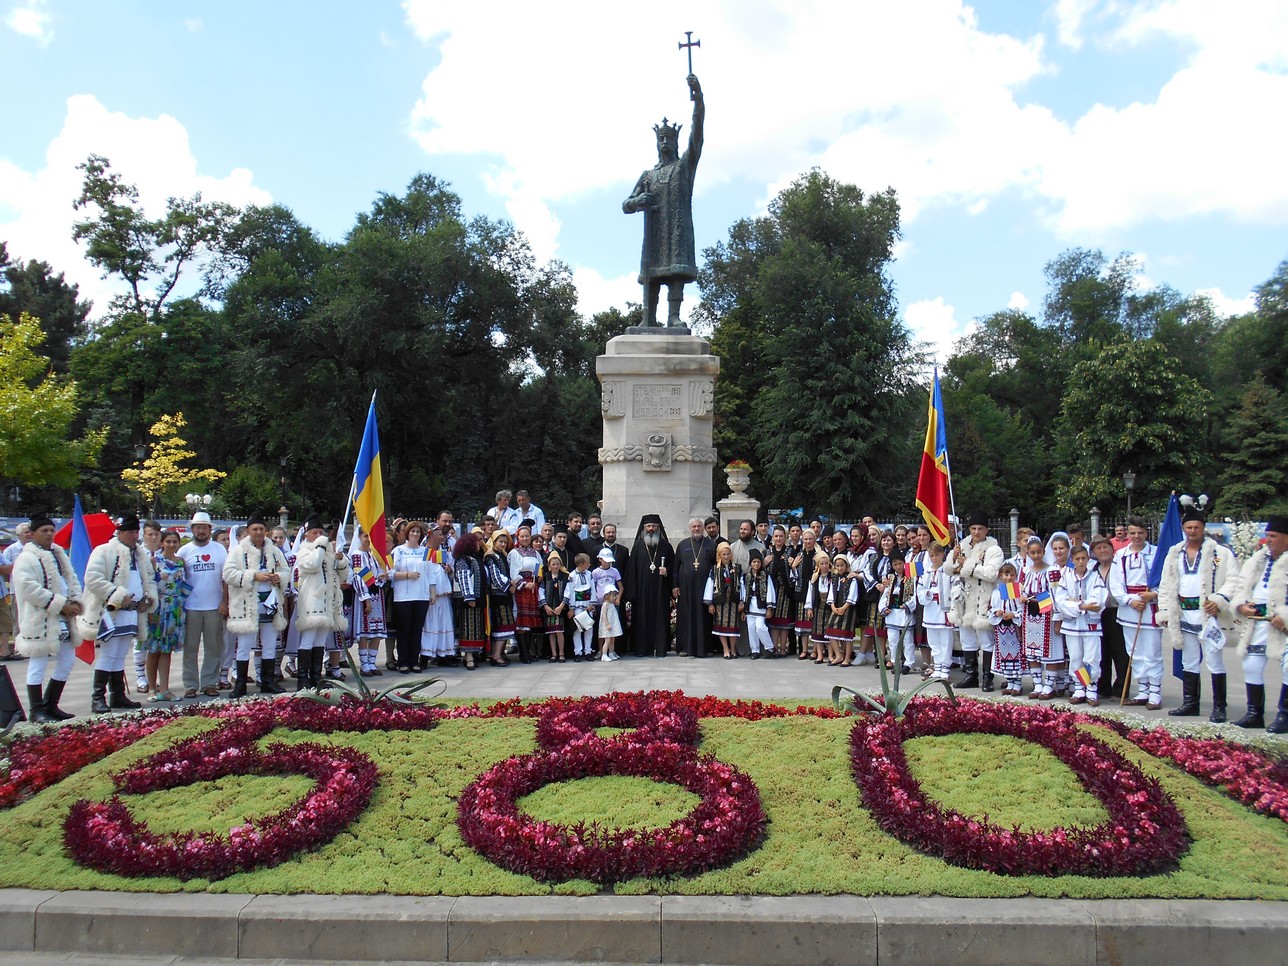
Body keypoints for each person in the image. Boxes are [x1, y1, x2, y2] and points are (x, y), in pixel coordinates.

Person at [622, 72, 704, 327]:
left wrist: (698, 99)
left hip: (677, 232)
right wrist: (638, 201)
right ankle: (648, 319)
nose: (666, 141)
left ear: (676, 142)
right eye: (662, 138)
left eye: (669, 138)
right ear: (657, 143)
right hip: (655, 236)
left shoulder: (684, 166)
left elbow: (698, 135)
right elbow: (626, 204)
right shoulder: (648, 175)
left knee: (675, 272)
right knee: (652, 276)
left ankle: (674, 317)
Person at [1156, 507, 1240, 721]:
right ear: (1183, 528)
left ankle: (1219, 707)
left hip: (1208, 614)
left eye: (1196, 527)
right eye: (1189, 527)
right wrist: (1165, 611)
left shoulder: (1220, 553)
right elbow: (1165, 584)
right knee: (1189, 660)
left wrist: (1219, 600)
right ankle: (1190, 703)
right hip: (1184, 613)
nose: (1192, 531)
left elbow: (1233, 580)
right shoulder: (1175, 552)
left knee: (1214, 659)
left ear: (1204, 528)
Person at [77, 515, 158, 713]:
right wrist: (117, 595)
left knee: (120, 655)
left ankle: (118, 696)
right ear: (119, 532)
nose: (134, 535)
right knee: (109, 654)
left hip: (132, 612)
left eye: (135, 532)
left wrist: (149, 598)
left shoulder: (140, 555)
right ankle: (98, 698)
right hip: (111, 612)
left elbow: (150, 580)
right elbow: (93, 579)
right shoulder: (104, 551)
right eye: (130, 532)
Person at [11, 514, 82, 722]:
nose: (49, 534)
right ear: (33, 534)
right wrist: (59, 604)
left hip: (64, 619)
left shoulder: (59, 555)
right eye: (44, 531)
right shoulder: (26, 558)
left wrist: (76, 601)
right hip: (40, 619)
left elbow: (72, 579)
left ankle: (51, 704)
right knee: (38, 663)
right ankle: (36, 710)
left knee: (67, 660)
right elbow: (28, 588)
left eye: (52, 530)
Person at [223, 512, 291, 697]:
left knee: (269, 644)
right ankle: (241, 684)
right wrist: (253, 576)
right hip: (247, 605)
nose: (258, 532)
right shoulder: (238, 551)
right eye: (255, 529)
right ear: (248, 531)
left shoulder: (275, 551)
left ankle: (268, 682)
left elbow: (287, 571)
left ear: (266, 532)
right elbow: (228, 574)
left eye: (261, 529)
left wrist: (279, 577)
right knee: (244, 645)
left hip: (270, 603)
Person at [1231, 515, 1288, 731]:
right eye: (1267, 536)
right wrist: (1241, 605)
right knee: (1251, 665)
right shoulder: (1258, 559)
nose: (1268, 540)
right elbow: (1241, 586)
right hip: (1258, 623)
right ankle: (1254, 713)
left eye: (1273, 536)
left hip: (1282, 626)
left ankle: (1285, 715)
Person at [946, 511, 1005, 691]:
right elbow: (949, 570)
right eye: (973, 528)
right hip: (965, 597)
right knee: (967, 639)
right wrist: (954, 558)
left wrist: (968, 564)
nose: (976, 532)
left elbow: (992, 573)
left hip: (983, 597)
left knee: (986, 638)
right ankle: (971, 675)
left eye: (980, 529)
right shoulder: (962, 546)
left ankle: (988, 677)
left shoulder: (994, 549)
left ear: (986, 530)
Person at [1110, 516, 1162, 709]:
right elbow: (1115, 584)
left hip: (1150, 608)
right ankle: (1143, 689)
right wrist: (1130, 601)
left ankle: (1155, 691)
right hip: (1129, 610)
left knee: (1152, 652)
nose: (1136, 536)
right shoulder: (1120, 555)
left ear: (1146, 533)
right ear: (1128, 534)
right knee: (1135, 652)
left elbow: (1166, 580)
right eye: (1133, 533)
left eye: (1140, 533)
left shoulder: (1156, 554)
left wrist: (1153, 595)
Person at [293, 516, 350, 691]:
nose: (319, 535)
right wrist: (321, 545)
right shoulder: (304, 552)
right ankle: (302, 678)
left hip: (328, 603)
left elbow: (342, 575)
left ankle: (316, 676)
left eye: (320, 533)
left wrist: (340, 560)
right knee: (308, 640)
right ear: (307, 535)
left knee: (320, 641)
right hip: (312, 603)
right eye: (314, 533)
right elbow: (312, 564)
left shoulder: (327, 553)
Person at [178, 511, 229, 699]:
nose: (201, 531)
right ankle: (190, 684)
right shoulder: (184, 551)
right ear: (192, 529)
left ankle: (209, 683)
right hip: (191, 606)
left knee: (214, 647)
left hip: (214, 606)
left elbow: (226, 578)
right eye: (197, 527)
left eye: (204, 528)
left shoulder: (219, 549)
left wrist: (224, 601)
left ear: (210, 529)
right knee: (190, 648)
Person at [1055, 545, 1108, 706]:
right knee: (1076, 656)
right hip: (1072, 624)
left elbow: (1098, 600)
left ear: (1088, 559)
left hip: (1091, 624)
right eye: (1077, 559)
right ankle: (1079, 687)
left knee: (1091, 657)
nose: (1080, 562)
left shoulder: (1095, 577)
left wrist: (1077, 603)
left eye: (1083, 558)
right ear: (1072, 560)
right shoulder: (1066, 578)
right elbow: (1060, 601)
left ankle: (1091, 688)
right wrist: (1081, 606)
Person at [145, 529, 188, 701]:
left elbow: (183, 585)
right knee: (153, 649)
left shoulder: (181, 562)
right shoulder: (154, 561)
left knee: (167, 650)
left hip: (175, 609)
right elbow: (148, 585)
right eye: (168, 541)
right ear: (162, 543)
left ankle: (164, 688)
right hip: (157, 608)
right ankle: (151, 689)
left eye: (174, 542)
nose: (171, 545)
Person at [624, 514, 674, 658]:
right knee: (642, 620)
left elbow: (674, 566)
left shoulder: (666, 546)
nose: (651, 529)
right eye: (648, 526)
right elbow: (631, 570)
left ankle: (660, 649)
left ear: (659, 528)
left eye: (654, 526)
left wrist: (667, 571)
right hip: (642, 593)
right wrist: (632, 594)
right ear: (644, 528)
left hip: (661, 590)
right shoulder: (638, 546)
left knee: (661, 618)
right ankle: (641, 649)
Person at [1090, 534, 1128, 699]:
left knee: (1120, 652)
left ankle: (1121, 689)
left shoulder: (1119, 566)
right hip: (1098, 614)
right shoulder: (1092, 570)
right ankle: (1102, 687)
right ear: (1094, 552)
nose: (1103, 550)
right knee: (1101, 652)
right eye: (1099, 548)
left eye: (1106, 547)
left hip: (1117, 611)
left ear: (1112, 550)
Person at [675, 517, 717, 657]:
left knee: (705, 617)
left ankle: (706, 647)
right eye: (694, 527)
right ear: (690, 528)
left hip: (706, 588)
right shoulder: (682, 545)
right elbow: (676, 567)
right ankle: (686, 647)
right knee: (686, 617)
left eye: (699, 526)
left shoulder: (711, 545)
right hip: (686, 589)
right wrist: (675, 586)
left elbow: (716, 566)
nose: (696, 529)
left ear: (703, 528)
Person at [918, 543, 957, 682]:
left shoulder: (947, 572)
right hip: (930, 610)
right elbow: (920, 590)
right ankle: (938, 666)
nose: (934, 558)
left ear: (943, 555)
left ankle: (945, 668)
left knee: (945, 640)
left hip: (943, 610)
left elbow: (954, 589)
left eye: (937, 555)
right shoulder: (925, 573)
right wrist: (926, 594)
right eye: (932, 555)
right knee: (933, 640)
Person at [509, 524, 545, 664]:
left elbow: (539, 567)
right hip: (522, 589)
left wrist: (539, 576)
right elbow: (513, 573)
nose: (525, 538)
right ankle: (523, 654)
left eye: (527, 536)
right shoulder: (515, 553)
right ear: (518, 537)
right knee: (522, 622)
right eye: (522, 536)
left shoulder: (534, 552)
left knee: (530, 622)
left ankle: (528, 652)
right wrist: (523, 583)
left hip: (533, 587)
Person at [420, 524, 454, 668]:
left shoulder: (443, 551)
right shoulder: (424, 552)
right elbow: (425, 570)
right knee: (430, 625)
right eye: (439, 534)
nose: (442, 537)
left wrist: (449, 569)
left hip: (444, 594)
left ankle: (443, 655)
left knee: (443, 625)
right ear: (431, 535)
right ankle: (425, 656)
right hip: (431, 596)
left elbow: (451, 567)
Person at [989, 562, 1026, 695]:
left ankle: (1017, 684)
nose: (1008, 577)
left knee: (1016, 655)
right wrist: (997, 612)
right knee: (1005, 655)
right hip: (1002, 629)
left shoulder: (1017, 592)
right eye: (1006, 574)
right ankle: (1010, 682)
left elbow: (1021, 610)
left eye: (1011, 575)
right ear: (1000, 576)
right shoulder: (996, 592)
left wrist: (1014, 614)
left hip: (1014, 629)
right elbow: (992, 608)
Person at [451, 532, 485, 670]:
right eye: (476, 542)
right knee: (468, 628)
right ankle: (469, 656)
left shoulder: (475, 558)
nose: (478, 544)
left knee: (476, 628)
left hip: (478, 598)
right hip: (467, 600)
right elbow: (464, 578)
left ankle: (471, 655)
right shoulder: (462, 560)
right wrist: (469, 597)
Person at [879, 555, 917, 674]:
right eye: (895, 564)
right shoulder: (890, 579)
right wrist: (884, 607)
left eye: (900, 564)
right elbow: (885, 595)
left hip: (905, 612)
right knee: (893, 639)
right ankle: (895, 661)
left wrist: (908, 605)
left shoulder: (911, 578)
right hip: (892, 613)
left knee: (907, 639)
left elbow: (915, 594)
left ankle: (908, 663)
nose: (898, 567)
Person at [704, 542, 742, 660]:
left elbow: (742, 585)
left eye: (728, 554)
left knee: (733, 626)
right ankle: (725, 649)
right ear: (719, 555)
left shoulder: (737, 568)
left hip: (733, 601)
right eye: (723, 554)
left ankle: (733, 649)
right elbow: (710, 585)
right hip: (720, 602)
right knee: (721, 625)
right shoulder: (715, 569)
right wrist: (710, 603)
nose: (726, 557)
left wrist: (742, 601)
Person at [0, 521, 32, 661]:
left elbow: (8, 568)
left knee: (10, 621)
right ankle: (17, 648)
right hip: (15, 591)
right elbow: (7, 569)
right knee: (15, 621)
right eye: (26, 532)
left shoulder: (35, 549)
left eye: (30, 531)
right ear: (19, 535)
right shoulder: (11, 550)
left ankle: (6, 651)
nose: (29, 534)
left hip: (5, 593)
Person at [825, 554, 860, 668]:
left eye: (842, 565)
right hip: (836, 607)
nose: (840, 568)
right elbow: (831, 593)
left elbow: (852, 594)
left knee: (847, 634)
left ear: (846, 566)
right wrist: (833, 606)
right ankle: (838, 655)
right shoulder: (834, 578)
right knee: (830, 631)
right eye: (837, 566)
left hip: (848, 608)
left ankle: (847, 658)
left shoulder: (851, 579)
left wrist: (844, 607)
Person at [764, 526, 794, 657]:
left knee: (784, 622)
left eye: (781, 536)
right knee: (774, 621)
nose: (778, 538)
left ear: (785, 537)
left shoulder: (790, 551)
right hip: (772, 591)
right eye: (776, 536)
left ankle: (783, 648)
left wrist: (792, 564)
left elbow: (794, 572)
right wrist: (764, 564)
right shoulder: (767, 553)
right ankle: (774, 647)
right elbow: (761, 571)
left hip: (786, 591)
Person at [742, 548, 776, 659]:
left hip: (761, 606)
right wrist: (743, 608)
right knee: (751, 628)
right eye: (754, 562)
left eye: (758, 562)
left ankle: (769, 648)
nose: (756, 564)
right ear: (750, 563)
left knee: (760, 627)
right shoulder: (746, 576)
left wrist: (769, 608)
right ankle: (755, 650)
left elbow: (770, 591)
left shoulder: (765, 575)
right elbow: (743, 592)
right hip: (750, 606)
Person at [592, 548, 623, 661]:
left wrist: (618, 598)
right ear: (600, 559)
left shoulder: (614, 571)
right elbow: (593, 587)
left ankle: (611, 651)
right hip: (601, 603)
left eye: (609, 561)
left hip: (612, 603)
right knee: (602, 628)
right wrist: (594, 603)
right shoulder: (596, 572)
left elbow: (620, 586)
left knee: (613, 627)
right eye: (605, 560)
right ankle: (601, 651)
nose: (608, 563)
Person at [565, 552, 596, 661]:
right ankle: (578, 652)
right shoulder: (572, 576)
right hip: (577, 606)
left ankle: (588, 651)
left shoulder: (589, 574)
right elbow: (570, 592)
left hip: (588, 605)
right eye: (588, 563)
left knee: (589, 629)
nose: (589, 565)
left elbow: (592, 588)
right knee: (577, 630)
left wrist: (592, 604)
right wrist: (572, 607)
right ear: (581, 564)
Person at [540, 551, 569, 662]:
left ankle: (561, 653)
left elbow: (568, 592)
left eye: (557, 564)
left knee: (559, 631)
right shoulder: (546, 577)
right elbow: (540, 592)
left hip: (559, 607)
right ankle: (553, 653)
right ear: (549, 566)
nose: (556, 566)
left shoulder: (565, 577)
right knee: (551, 632)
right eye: (553, 564)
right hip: (549, 607)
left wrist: (562, 606)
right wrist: (545, 606)